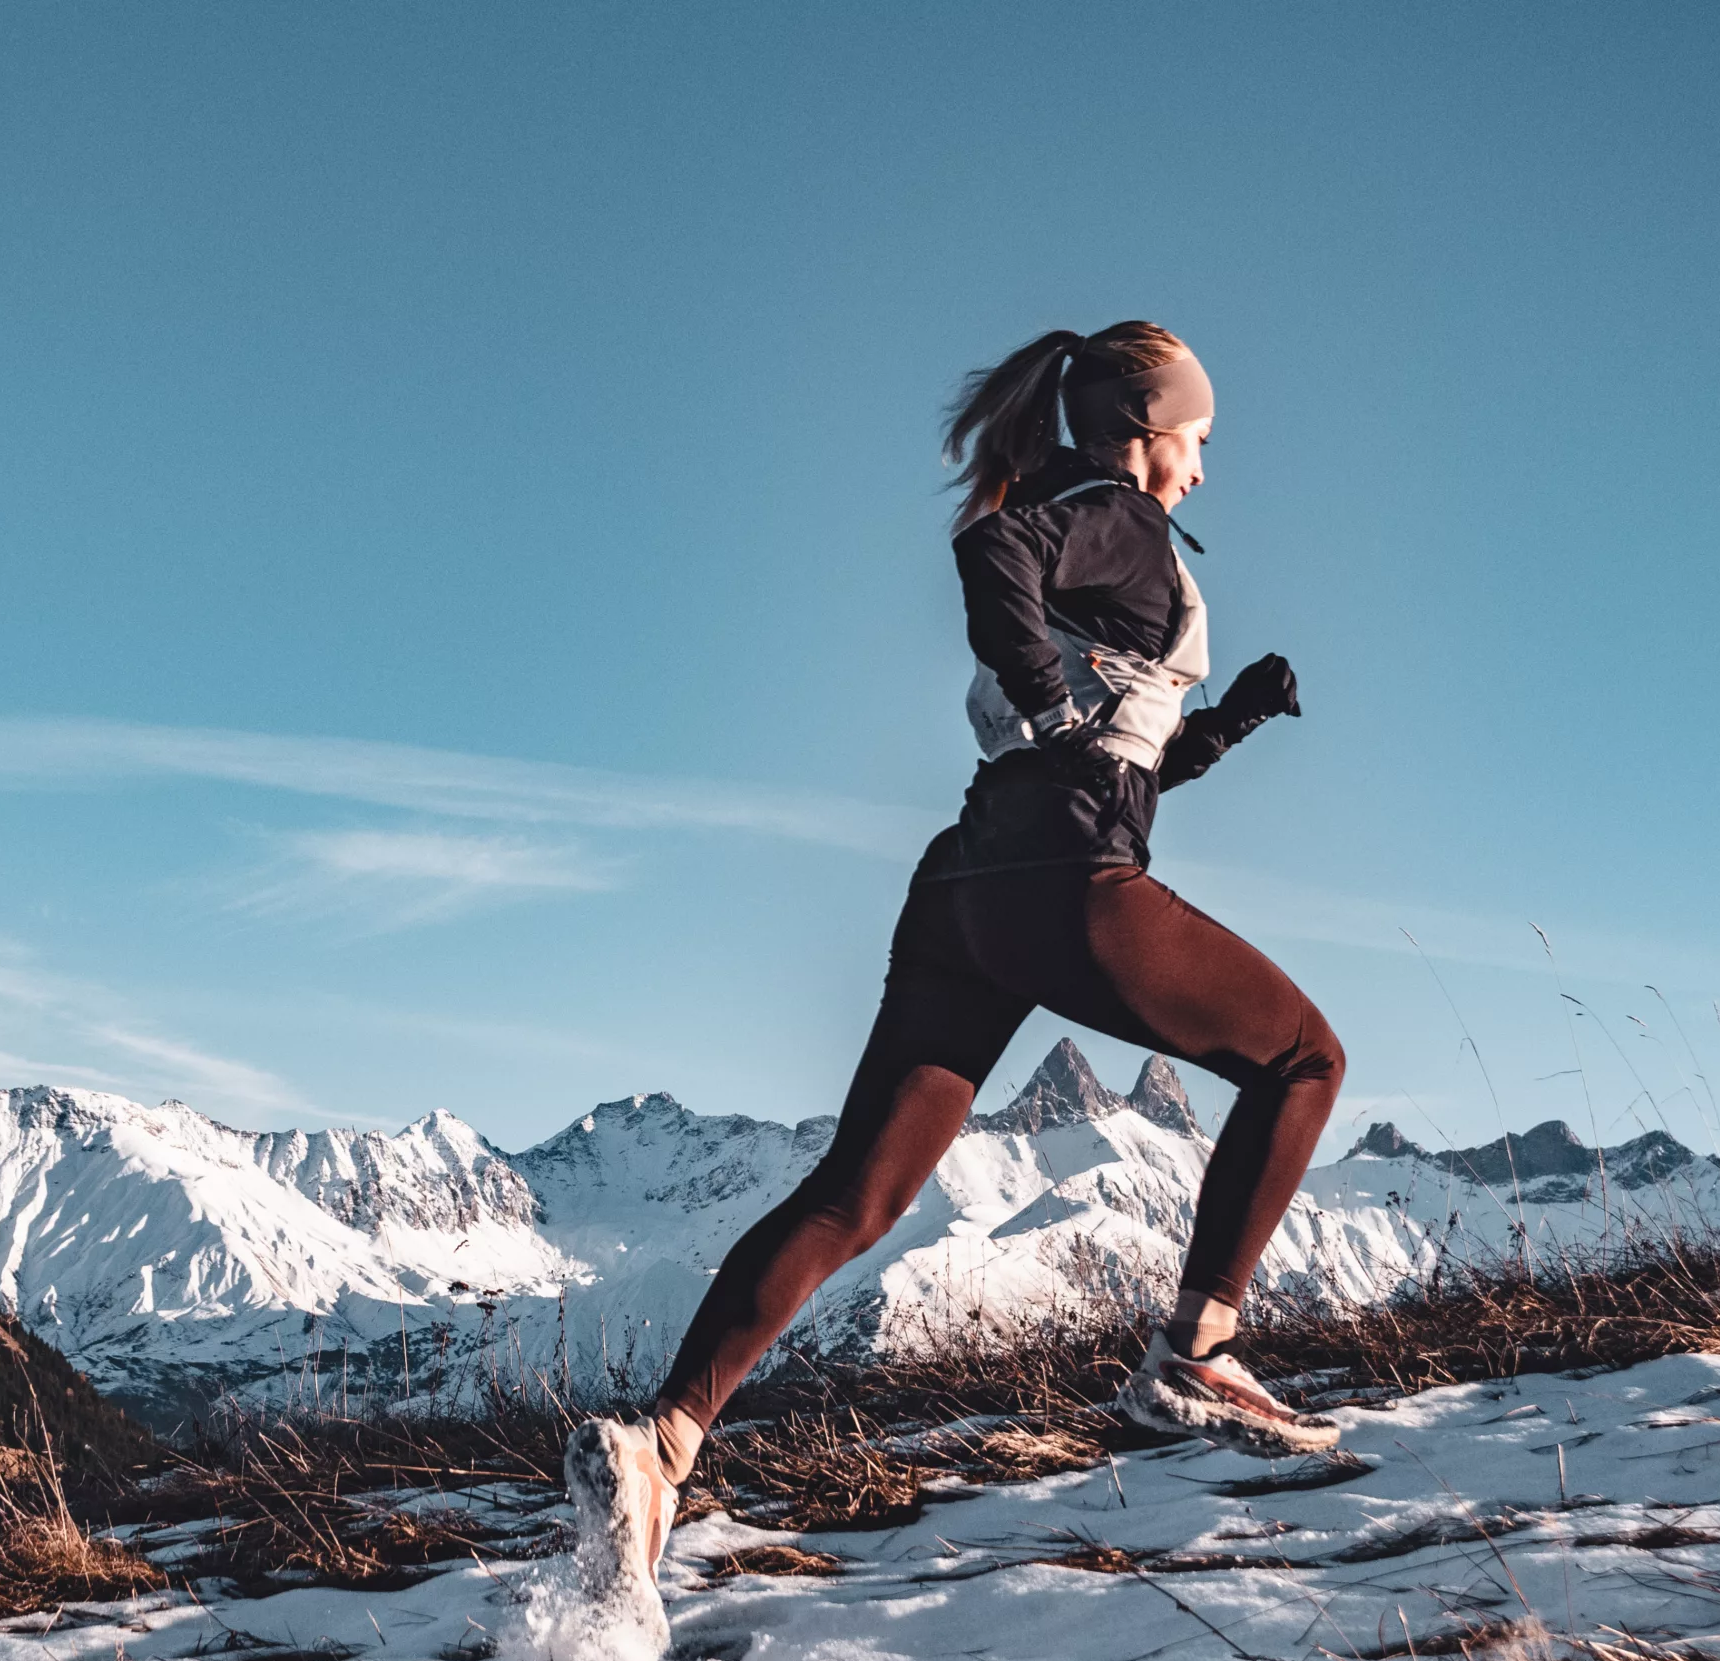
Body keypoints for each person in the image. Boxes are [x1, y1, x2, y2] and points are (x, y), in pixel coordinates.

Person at [565, 321, 1348, 1592]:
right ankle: (1197, 1356)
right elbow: (998, 573)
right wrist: (1045, 696)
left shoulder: (1073, 512)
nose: (1202, 471)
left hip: (968, 882)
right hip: (1059, 880)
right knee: (1304, 1058)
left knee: (854, 1198)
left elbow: (1115, 746)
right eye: (1197, 441)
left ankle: (659, 1450)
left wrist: (1228, 722)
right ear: (1146, 431)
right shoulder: (1113, 516)